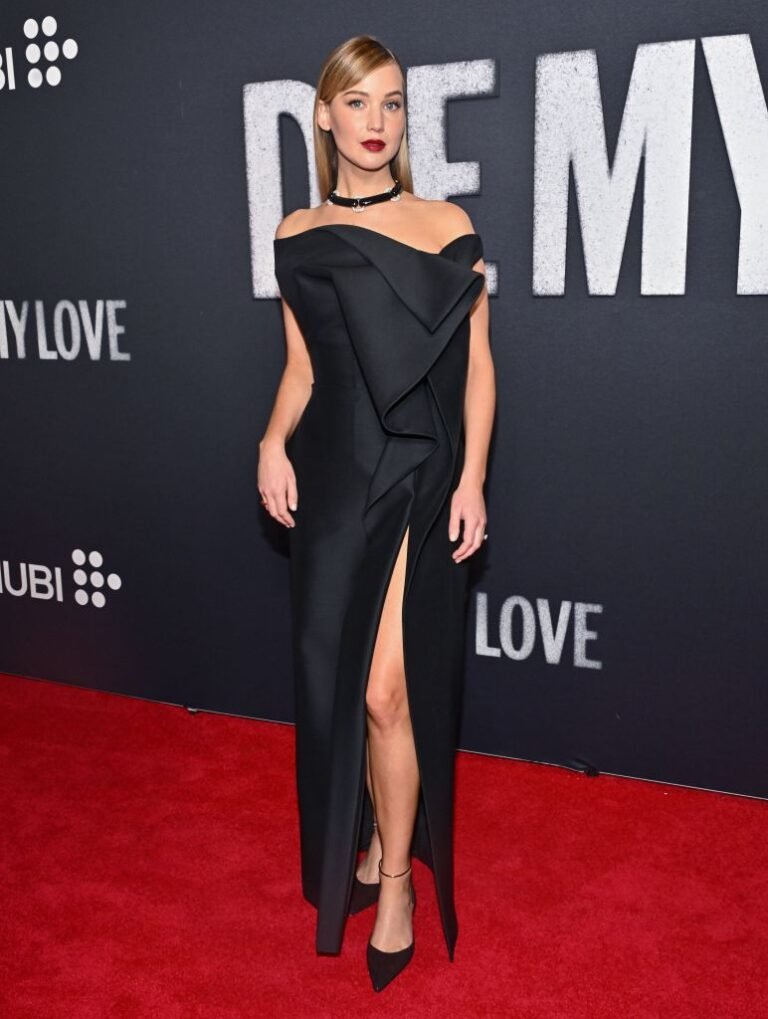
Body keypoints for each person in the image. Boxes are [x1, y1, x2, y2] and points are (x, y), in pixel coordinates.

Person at [259, 34, 495, 992]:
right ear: (324, 115)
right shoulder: (296, 232)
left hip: (416, 469)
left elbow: (478, 367)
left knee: (386, 691)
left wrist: (473, 478)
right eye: (357, 103)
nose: (376, 122)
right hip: (332, 473)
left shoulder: (445, 222)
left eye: (392, 103)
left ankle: (396, 879)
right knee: (344, 682)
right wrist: (272, 440)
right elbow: (302, 366)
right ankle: (368, 839)